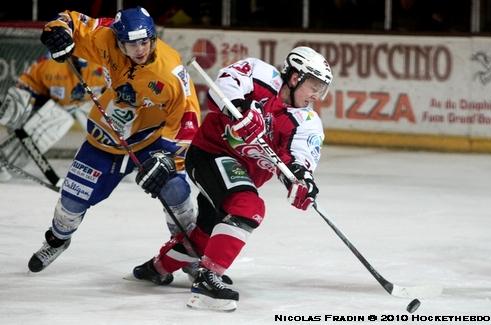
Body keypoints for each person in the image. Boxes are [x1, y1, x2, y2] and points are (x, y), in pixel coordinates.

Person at [133, 46, 333, 311]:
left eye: (322, 89)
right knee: (248, 207)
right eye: (314, 86)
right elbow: (224, 86)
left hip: (241, 174)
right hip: (210, 153)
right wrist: (241, 109)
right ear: (295, 78)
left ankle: (156, 268)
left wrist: (301, 182)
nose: (316, 96)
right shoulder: (261, 74)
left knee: (203, 238)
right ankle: (207, 279)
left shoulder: (307, 122)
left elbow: (298, 159)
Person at [27, 7, 201, 280]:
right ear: (119, 41)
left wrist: (168, 159)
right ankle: (58, 239)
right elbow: (70, 20)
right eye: (131, 43)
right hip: (105, 136)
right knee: (71, 201)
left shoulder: (169, 71)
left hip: (151, 140)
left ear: (153, 38)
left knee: (176, 190)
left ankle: (189, 253)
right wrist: (58, 32)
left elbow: (189, 119)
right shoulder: (106, 38)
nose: (140, 49)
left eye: (145, 41)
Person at [0, 55, 107, 181]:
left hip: (83, 103)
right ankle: (7, 159)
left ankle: (117, 158)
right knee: (59, 118)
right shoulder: (51, 67)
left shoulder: (103, 66)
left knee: (109, 120)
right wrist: (23, 119)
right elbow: (25, 86)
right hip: (49, 103)